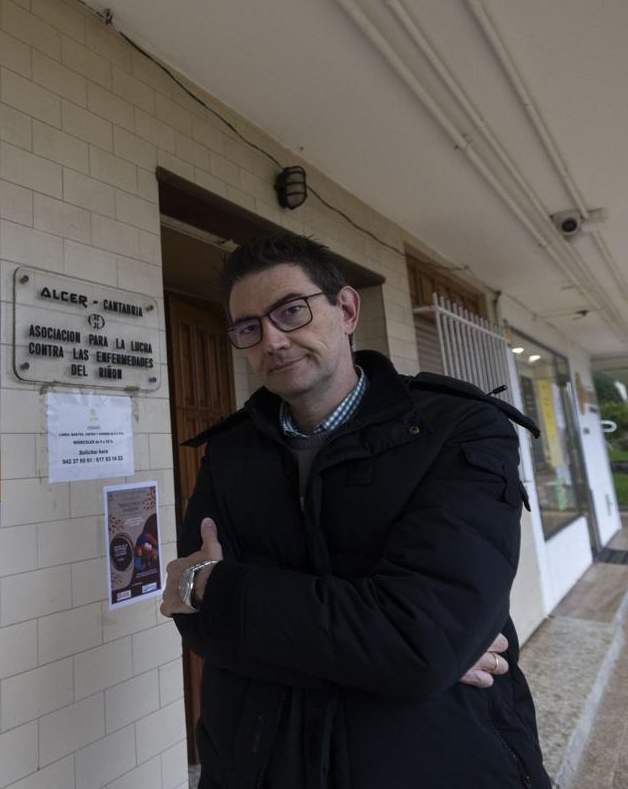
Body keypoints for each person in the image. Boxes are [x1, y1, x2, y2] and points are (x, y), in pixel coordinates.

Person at [160, 235, 549, 788]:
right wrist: (394, 654)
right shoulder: (230, 452)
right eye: (249, 328)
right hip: (258, 762)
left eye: (291, 311)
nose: (273, 339)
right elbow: (198, 625)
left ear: (345, 310)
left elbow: (421, 643)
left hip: (430, 759)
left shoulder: (456, 428)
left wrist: (219, 590)